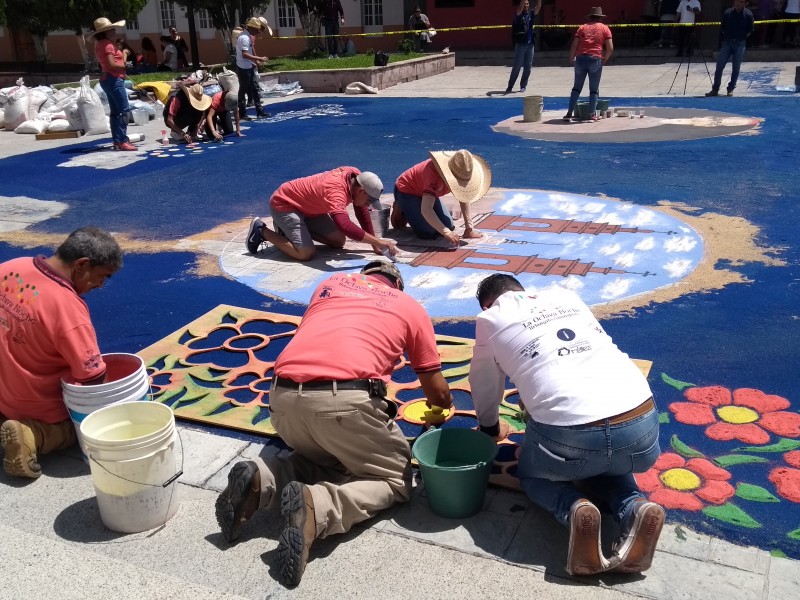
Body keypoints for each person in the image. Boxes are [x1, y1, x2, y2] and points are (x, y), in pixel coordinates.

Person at [216, 260, 453, 585]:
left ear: (363, 277)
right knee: (394, 478)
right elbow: (436, 391)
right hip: (345, 402)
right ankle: (318, 508)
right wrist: (441, 409)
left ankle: (262, 478)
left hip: (281, 398)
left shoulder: (329, 287)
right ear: (396, 285)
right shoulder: (408, 306)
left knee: (330, 455)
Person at [468, 274, 665, 576]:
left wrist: (490, 428)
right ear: (521, 290)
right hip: (641, 426)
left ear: (487, 304)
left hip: (573, 437)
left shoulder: (489, 318)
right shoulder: (565, 297)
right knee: (607, 463)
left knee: (534, 475)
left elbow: (485, 383)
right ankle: (635, 507)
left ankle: (574, 509)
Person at [0, 227, 123, 479]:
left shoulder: (11, 268)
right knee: (76, 428)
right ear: (82, 265)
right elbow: (92, 379)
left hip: (4, 390)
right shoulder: (68, 309)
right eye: (102, 276)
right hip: (35, 403)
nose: (100, 285)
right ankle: (32, 435)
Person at [246, 168, 397, 261]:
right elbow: (343, 224)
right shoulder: (336, 191)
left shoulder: (356, 176)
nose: (368, 205)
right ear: (360, 191)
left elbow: (360, 210)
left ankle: (288, 231)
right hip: (285, 204)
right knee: (305, 253)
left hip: (309, 208)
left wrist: (374, 243)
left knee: (338, 242)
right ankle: (261, 231)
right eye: (368, 200)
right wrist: (378, 242)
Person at [391, 149, 489, 245]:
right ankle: (401, 207)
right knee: (428, 232)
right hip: (407, 190)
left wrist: (469, 228)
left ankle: (415, 207)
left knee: (448, 225)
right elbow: (426, 210)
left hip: (426, 193)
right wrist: (446, 232)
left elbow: (463, 197)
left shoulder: (461, 171)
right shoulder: (433, 174)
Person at [92, 18, 137, 151]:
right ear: (106, 31)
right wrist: (124, 60)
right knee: (124, 110)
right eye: (111, 29)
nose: (114, 31)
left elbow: (106, 64)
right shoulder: (108, 45)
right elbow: (112, 64)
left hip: (107, 78)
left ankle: (117, 140)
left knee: (115, 112)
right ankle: (122, 140)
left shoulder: (99, 43)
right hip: (114, 79)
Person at [562, 7, 613, 122]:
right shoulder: (605, 28)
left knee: (576, 88)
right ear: (600, 18)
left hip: (580, 59)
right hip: (596, 59)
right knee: (594, 89)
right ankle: (591, 114)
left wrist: (571, 58)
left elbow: (574, 45)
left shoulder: (582, 28)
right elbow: (610, 48)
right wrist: (605, 59)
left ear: (590, 17)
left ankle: (569, 113)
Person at [706, 0, 755, 97]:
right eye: (737, 1)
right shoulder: (727, 12)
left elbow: (750, 29)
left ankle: (730, 89)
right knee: (719, 67)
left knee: (736, 68)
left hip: (740, 44)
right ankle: (715, 89)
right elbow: (723, 27)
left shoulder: (748, 14)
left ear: (745, 4)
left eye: (741, 2)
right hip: (727, 43)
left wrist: (742, 38)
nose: (738, 3)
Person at [505, 0, 542, 94]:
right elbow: (520, 7)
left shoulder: (530, 14)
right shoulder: (518, 15)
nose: (526, 5)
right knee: (517, 66)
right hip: (521, 44)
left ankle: (523, 86)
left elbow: (538, 7)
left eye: (528, 4)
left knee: (528, 67)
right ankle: (510, 86)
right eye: (525, 3)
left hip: (530, 44)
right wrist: (522, 2)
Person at [236, 17, 269, 120]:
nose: (257, 32)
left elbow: (249, 52)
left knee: (255, 88)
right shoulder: (245, 38)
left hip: (248, 66)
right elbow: (244, 54)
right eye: (256, 29)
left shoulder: (246, 36)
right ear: (251, 28)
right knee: (243, 90)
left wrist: (253, 62)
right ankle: (242, 113)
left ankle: (260, 111)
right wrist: (259, 58)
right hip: (243, 68)